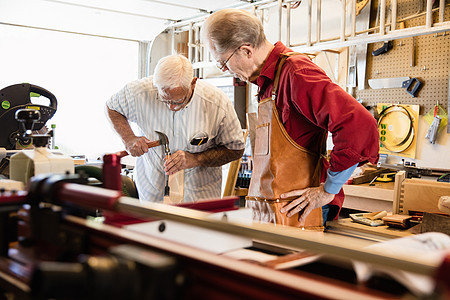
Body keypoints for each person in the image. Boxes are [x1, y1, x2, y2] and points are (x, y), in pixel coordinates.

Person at [202, 9, 379, 226]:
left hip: (300, 209)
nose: (226, 71)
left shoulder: (296, 72)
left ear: (246, 50)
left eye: (223, 63)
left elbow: (359, 125)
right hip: (275, 207)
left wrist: (328, 190)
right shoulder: (269, 81)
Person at [106, 54, 245, 202]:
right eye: (165, 99)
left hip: (199, 198)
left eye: (178, 101)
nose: (171, 107)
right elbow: (112, 108)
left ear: (193, 83)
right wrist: (128, 138)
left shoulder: (216, 102)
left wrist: (196, 159)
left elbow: (235, 149)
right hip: (153, 195)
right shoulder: (140, 91)